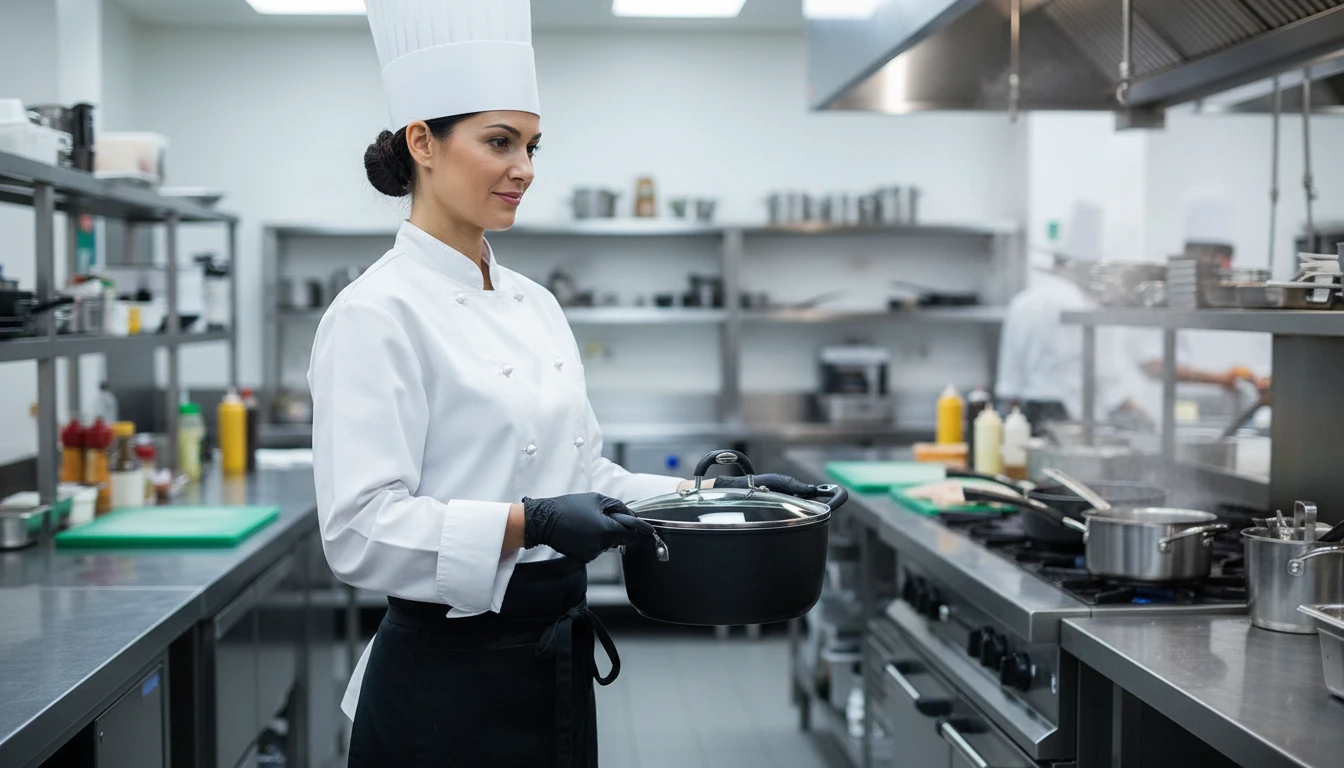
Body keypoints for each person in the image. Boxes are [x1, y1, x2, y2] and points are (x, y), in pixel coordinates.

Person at [307, 2, 817, 765]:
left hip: (553, 661)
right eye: (499, 142)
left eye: (533, 146)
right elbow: (360, 532)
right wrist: (531, 524)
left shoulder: (534, 303)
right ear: (424, 143)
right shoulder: (374, 313)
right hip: (445, 683)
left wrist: (713, 499)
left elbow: (584, 474)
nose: (525, 169)